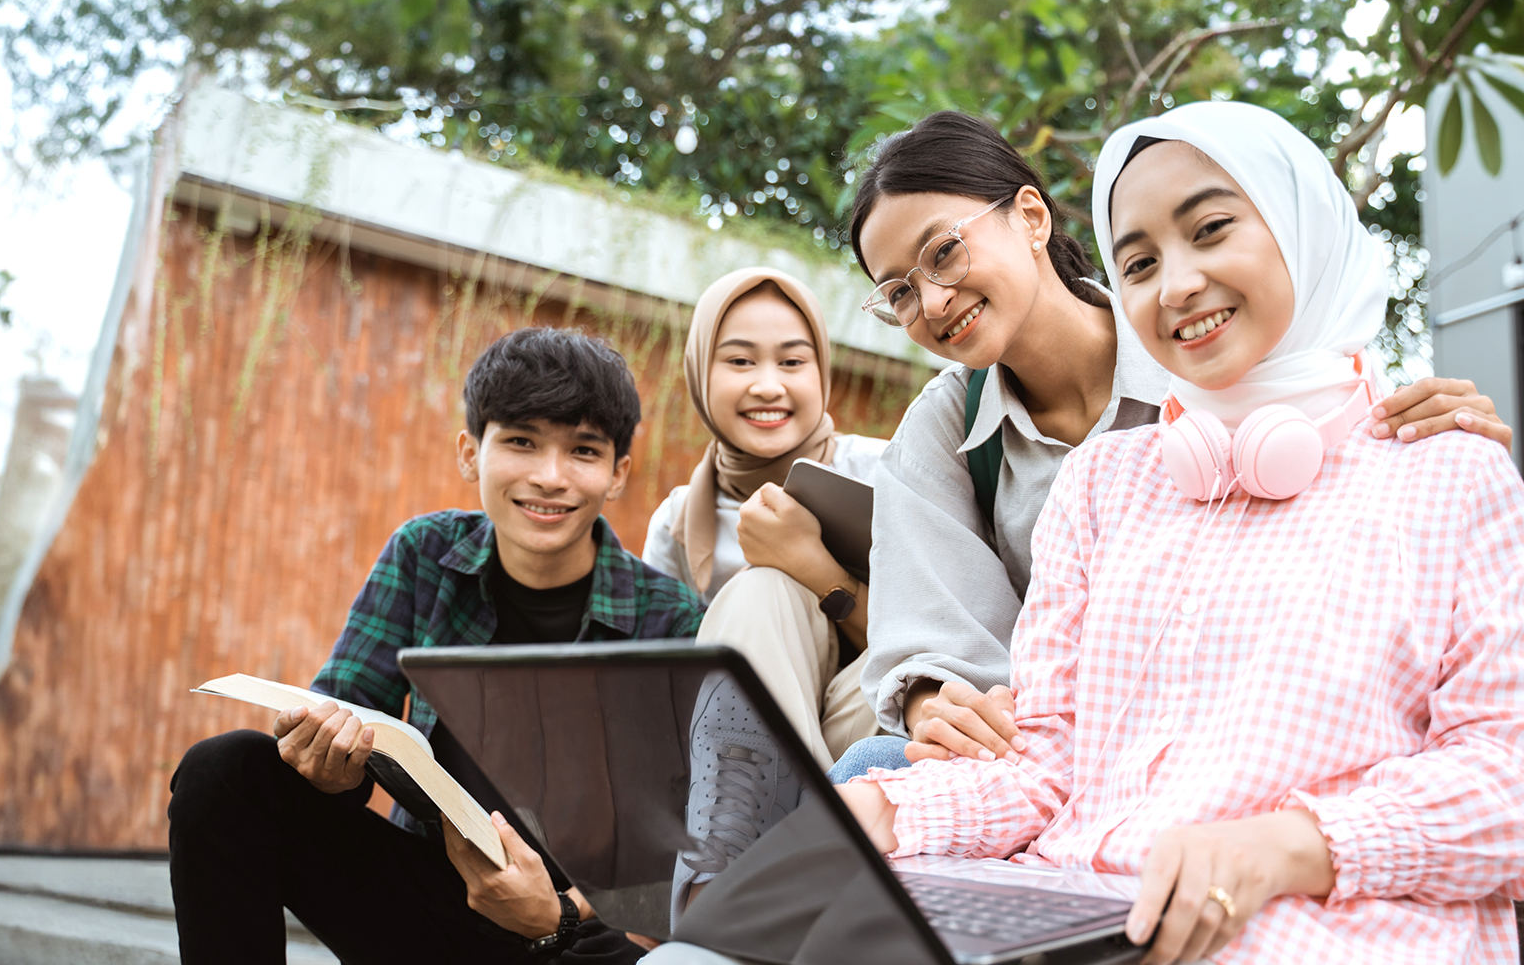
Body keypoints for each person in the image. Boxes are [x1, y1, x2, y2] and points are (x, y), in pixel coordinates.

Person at [829, 100, 1524, 963]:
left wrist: (1289, 847)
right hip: (1083, 905)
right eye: (1142, 262)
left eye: (1212, 229)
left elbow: (1507, 779)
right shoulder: (1099, 480)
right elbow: (1045, 757)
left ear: (1302, 225)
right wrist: (894, 812)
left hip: (1318, 924)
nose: (1178, 284)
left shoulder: (1446, 470)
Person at [167, 326, 705, 965]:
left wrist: (561, 912)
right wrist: (324, 757)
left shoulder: (673, 620)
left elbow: (685, 845)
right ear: (470, 453)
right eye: (521, 442)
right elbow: (344, 710)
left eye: (583, 451)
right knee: (224, 770)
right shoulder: (424, 555)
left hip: (570, 929)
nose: (549, 476)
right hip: (425, 902)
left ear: (617, 473)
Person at [642, 268, 890, 769]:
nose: (768, 385)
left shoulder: (888, 472)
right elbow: (663, 689)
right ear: (698, 372)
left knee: (771, 588)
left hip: (869, 722)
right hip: (741, 753)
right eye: (739, 360)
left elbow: (940, 645)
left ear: (821, 371)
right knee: (759, 595)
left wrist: (813, 567)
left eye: (793, 361)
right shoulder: (679, 521)